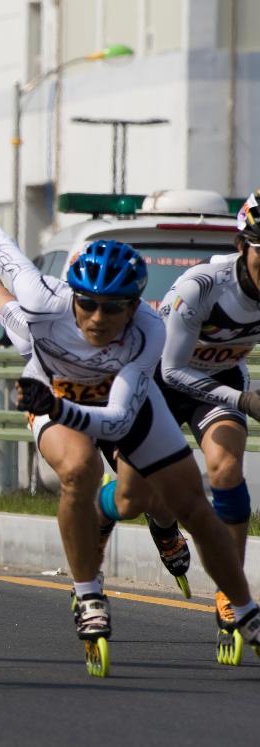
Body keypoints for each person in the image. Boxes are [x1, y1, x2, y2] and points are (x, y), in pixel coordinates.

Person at [0, 184, 260, 675]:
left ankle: (246, 610)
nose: (99, 320)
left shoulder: (150, 331)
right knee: (78, 469)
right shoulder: (41, 306)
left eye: (115, 309)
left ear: (135, 306)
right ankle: (88, 594)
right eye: (89, 306)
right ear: (73, 297)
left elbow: (121, 418)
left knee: (183, 504)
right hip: (53, 394)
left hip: (114, 402)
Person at [157, 192, 260, 663]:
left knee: (225, 469)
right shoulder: (202, 285)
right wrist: (244, 400)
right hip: (163, 379)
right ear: (244, 245)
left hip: (219, 380)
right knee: (149, 494)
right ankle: (164, 530)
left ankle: (229, 589)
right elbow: (173, 369)